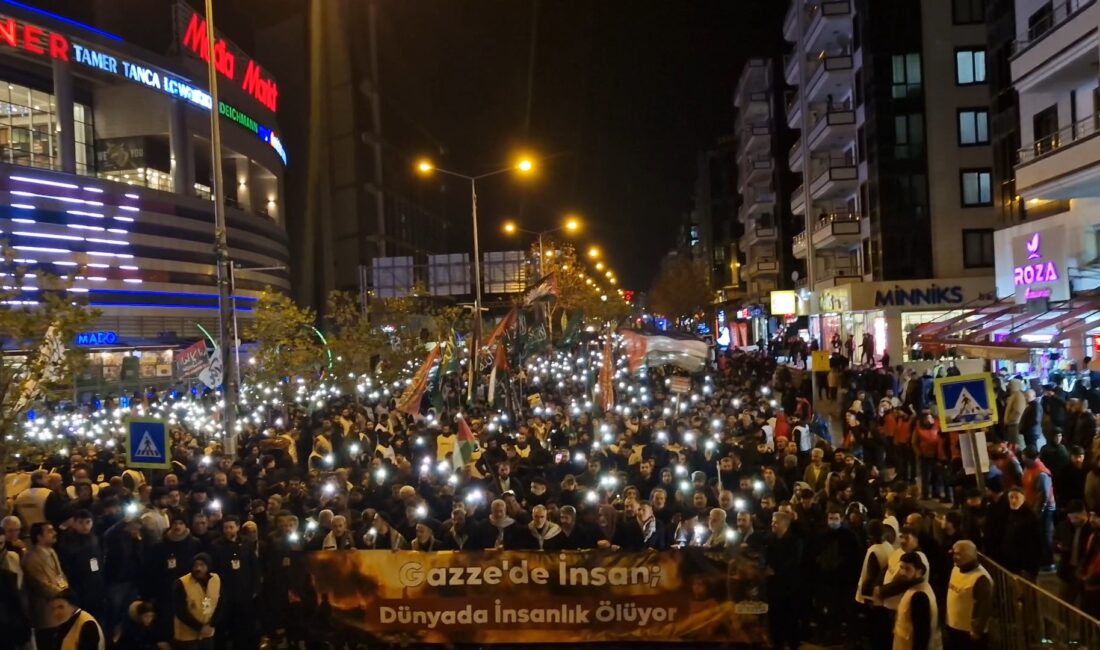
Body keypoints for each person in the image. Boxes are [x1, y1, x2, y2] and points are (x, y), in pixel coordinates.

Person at [22, 521, 69, 641]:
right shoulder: (31, 558)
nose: (54, 533)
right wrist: (64, 593)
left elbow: (60, 575)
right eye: (49, 531)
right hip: (45, 613)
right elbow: (42, 585)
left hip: (59, 609)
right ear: (39, 537)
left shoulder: (52, 551)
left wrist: (65, 589)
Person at [945, 540, 992, 650]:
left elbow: (984, 607)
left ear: (968, 555)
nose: (954, 557)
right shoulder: (956, 569)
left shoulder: (981, 578)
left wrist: (977, 630)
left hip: (968, 633)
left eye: (957, 554)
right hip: (953, 626)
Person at [765, 512, 802, 650]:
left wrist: (776, 571)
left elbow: (793, 562)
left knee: (790, 616)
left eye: (776, 522)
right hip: (773, 586)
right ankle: (777, 642)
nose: (773, 524)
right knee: (775, 616)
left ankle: (793, 642)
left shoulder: (795, 541)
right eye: (772, 522)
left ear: (784, 524)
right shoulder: (770, 540)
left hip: (789, 586)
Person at [892, 552, 940, 650]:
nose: (903, 572)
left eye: (908, 569)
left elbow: (922, 634)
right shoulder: (917, 586)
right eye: (901, 567)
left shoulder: (919, 596)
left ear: (919, 571)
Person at [172, 554, 221, 649]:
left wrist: (212, 624)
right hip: (187, 637)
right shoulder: (181, 583)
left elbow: (221, 604)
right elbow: (180, 611)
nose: (198, 568)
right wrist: (199, 627)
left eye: (202, 565)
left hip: (208, 633)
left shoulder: (215, 580)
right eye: (195, 565)